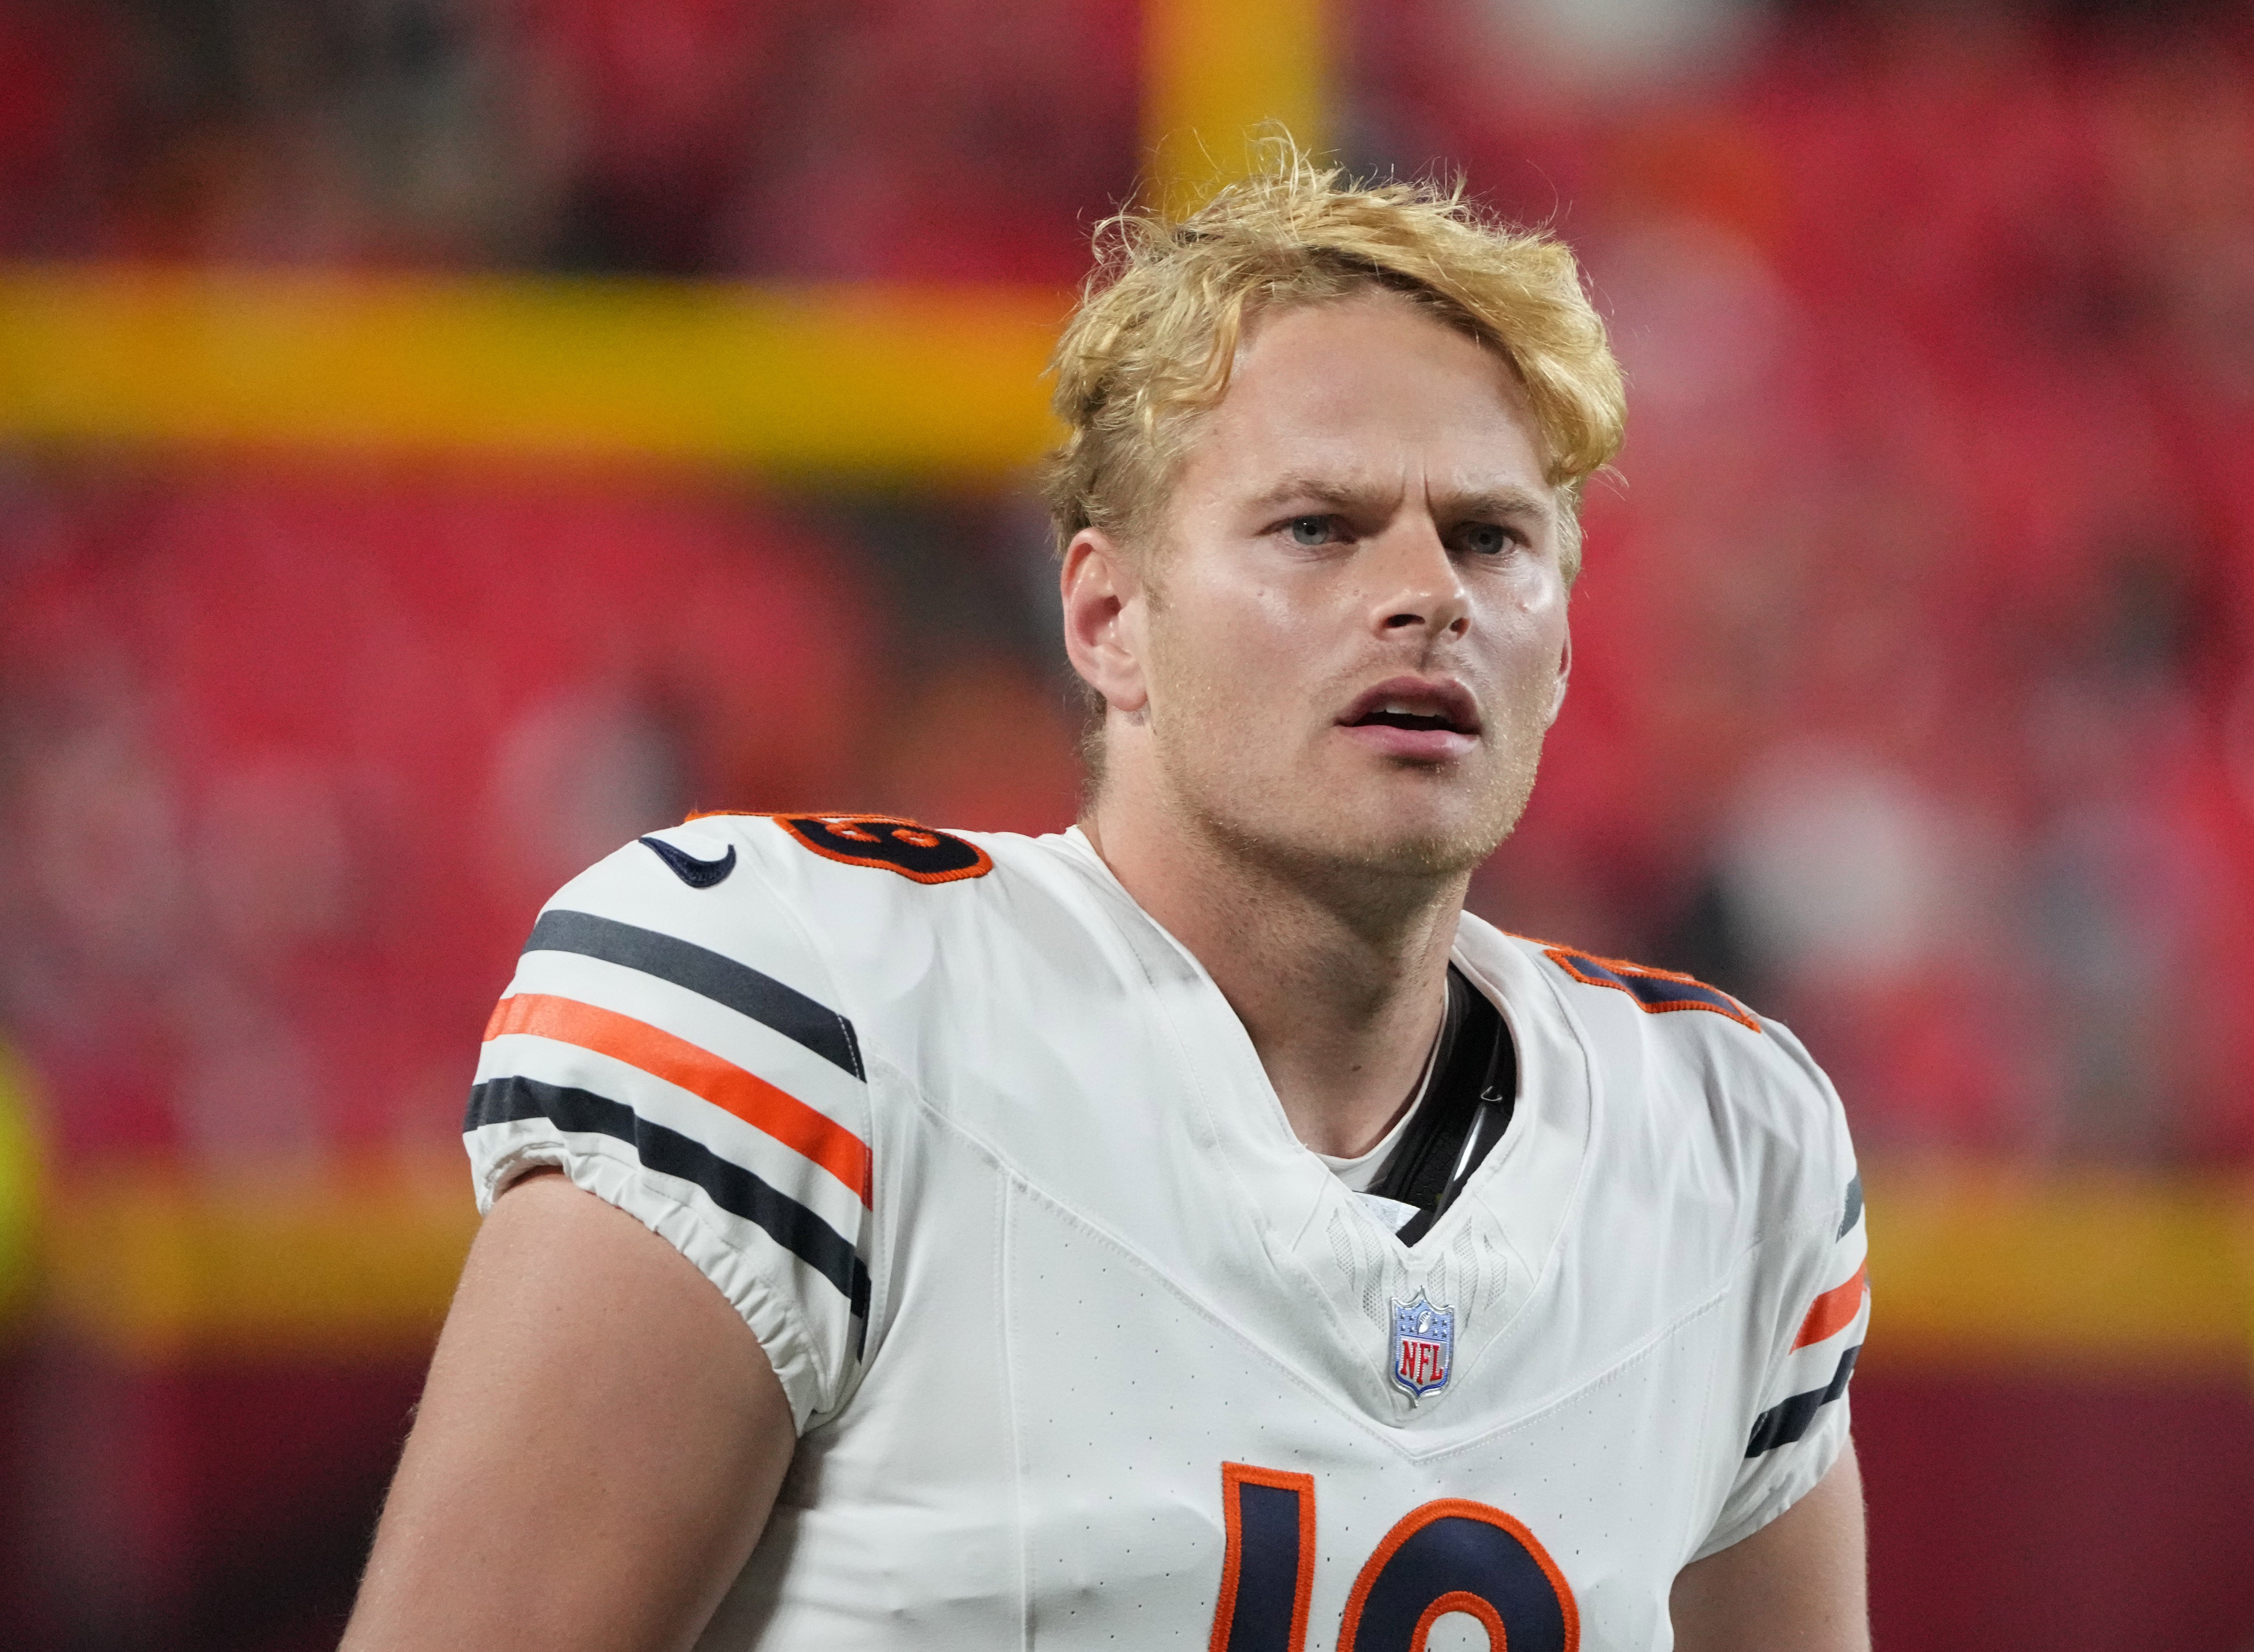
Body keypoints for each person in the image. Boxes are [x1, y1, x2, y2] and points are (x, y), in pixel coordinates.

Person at [342, 144, 1871, 1652]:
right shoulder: (819, 1017)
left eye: (1488, 536)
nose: (1427, 593)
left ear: (1559, 640)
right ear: (1106, 619)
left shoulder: (1722, 1152)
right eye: (1316, 527)